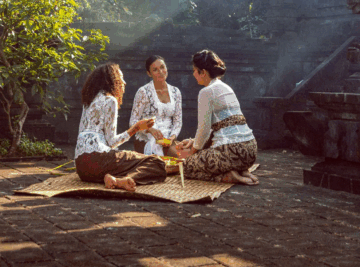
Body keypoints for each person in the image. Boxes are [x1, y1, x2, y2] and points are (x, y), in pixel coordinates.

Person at [74, 63, 167, 191]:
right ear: (111, 81)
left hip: (82, 168)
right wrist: (136, 127)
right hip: (99, 160)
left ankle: (111, 178)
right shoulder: (110, 100)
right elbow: (112, 142)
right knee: (157, 162)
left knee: (128, 162)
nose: (124, 82)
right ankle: (121, 181)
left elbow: (81, 134)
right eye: (120, 78)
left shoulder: (88, 101)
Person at [176, 50, 259, 185]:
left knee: (186, 166)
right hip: (250, 151)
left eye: (195, 70)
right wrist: (193, 141)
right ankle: (241, 170)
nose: (193, 74)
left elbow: (204, 129)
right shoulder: (226, 87)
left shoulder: (206, 92)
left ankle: (228, 176)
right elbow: (221, 126)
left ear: (203, 72)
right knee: (203, 157)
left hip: (231, 151)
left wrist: (191, 153)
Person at [129, 55, 182, 157]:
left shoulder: (176, 92)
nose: (161, 72)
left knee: (184, 156)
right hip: (146, 139)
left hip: (168, 139)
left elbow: (178, 121)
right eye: (155, 70)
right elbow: (133, 122)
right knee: (174, 157)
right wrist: (149, 129)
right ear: (149, 73)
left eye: (162, 67)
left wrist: (172, 137)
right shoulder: (143, 92)